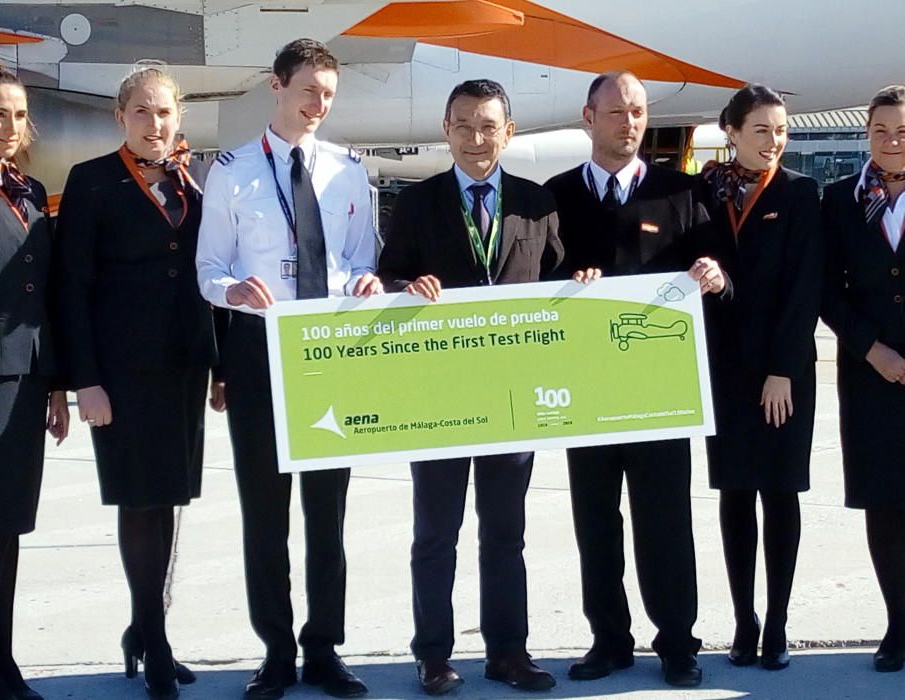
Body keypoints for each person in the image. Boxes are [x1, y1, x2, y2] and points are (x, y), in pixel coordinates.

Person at [196, 38, 381, 699]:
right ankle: (275, 651)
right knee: (265, 513)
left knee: (326, 514)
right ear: (277, 86)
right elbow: (207, 268)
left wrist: (366, 282)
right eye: (308, 90)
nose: (318, 104)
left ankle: (324, 648)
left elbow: (363, 258)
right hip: (258, 351)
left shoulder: (349, 170)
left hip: (329, 352)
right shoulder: (232, 170)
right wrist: (232, 292)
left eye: (328, 94)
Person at [378, 79, 563, 695]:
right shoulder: (416, 203)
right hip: (440, 396)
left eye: (488, 126)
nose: (476, 138)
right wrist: (407, 287)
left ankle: (509, 651)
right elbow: (388, 276)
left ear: (508, 132)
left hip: (512, 397)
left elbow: (562, 285)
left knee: (505, 533)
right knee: (435, 533)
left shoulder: (538, 204)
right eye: (464, 125)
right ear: (446, 129)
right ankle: (432, 654)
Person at [544, 71, 727, 688]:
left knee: (665, 520)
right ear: (589, 117)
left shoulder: (683, 192)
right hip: (584, 388)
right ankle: (609, 640)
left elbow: (725, 276)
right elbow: (535, 283)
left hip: (658, 390)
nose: (630, 123)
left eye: (639, 112)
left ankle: (678, 642)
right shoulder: (555, 196)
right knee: (595, 521)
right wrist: (568, 284)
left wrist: (714, 277)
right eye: (617, 112)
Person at [55, 67, 217, 699]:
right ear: (120, 117)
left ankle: (145, 626)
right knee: (138, 501)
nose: (156, 124)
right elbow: (72, 288)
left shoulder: (195, 180)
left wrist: (220, 367)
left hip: (182, 367)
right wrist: (84, 382)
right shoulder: (92, 181)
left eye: (166, 112)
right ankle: (154, 642)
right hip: (120, 375)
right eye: (143, 112)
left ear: (180, 117)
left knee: (168, 497)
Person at [698, 85, 822, 671]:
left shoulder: (801, 193)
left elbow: (804, 290)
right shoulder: (706, 191)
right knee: (735, 493)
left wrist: (782, 370)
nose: (774, 142)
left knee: (779, 493)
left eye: (781, 131)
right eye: (762, 131)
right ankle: (743, 618)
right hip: (725, 371)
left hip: (783, 374)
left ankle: (777, 621)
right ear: (732, 132)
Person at [0, 57, 69, 700]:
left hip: (26, 382)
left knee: (6, 532)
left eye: (20, 114)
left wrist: (56, 383)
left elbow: (45, 295)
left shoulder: (28, 191)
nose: (11, 125)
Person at [821, 84, 905, 674]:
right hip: (870, 371)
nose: (892, 141)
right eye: (880, 131)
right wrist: (870, 349)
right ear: (866, 134)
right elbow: (827, 288)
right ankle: (898, 622)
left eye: (902, 131)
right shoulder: (841, 200)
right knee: (884, 503)